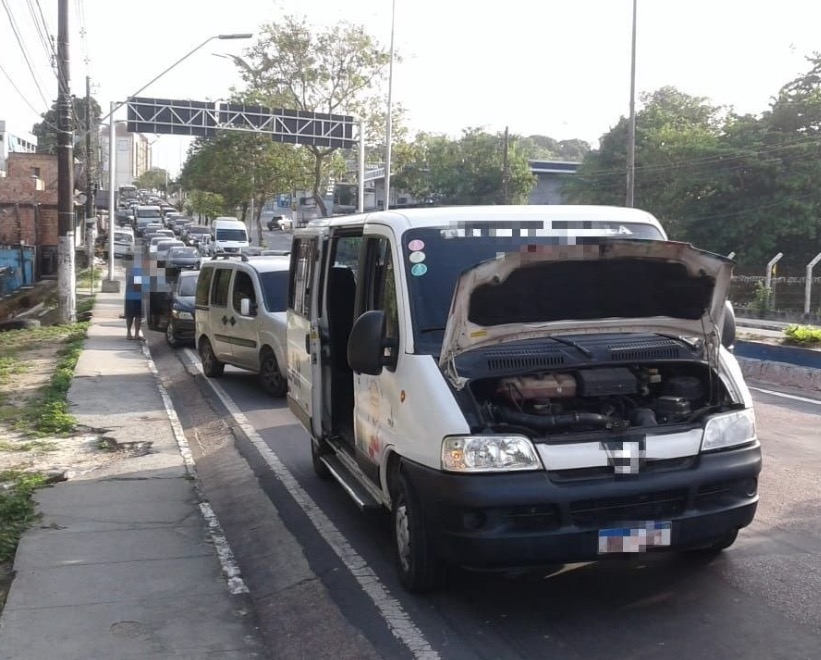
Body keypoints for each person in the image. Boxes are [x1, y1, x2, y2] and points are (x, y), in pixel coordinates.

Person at [124, 255, 144, 340]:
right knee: (137, 315)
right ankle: (136, 334)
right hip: (136, 296)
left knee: (130, 315)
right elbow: (137, 285)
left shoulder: (132, 269)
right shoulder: (138, 270)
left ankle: (129, 333)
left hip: (129, 295)